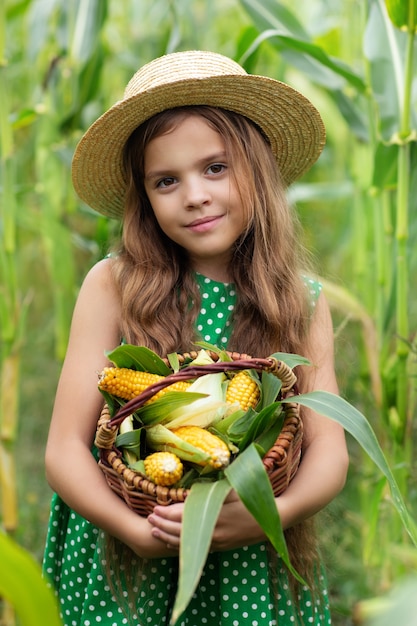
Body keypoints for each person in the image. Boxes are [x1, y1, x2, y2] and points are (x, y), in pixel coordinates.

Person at [42, 50, 349, 626]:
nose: (194, 195)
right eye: (166, 181)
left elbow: (329, 452)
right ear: (145, 199)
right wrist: (134, 530)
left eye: (215, 168)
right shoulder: (114, 285)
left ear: (256, 168)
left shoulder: (300, 298)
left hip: (249, 559)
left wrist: (269, 515)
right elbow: (63, 451)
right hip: (129, 557)